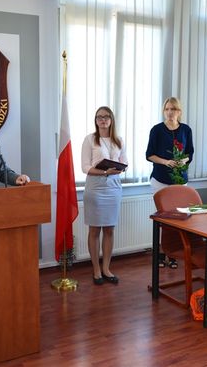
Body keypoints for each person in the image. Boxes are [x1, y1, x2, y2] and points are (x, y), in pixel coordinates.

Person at [81, 106, 128, 285]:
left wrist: (121, 168)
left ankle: (106, 268)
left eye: (106, 117)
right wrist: (105, 172)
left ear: (111, 119)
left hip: (113, 188)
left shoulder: (119, 140)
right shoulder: (90, 139)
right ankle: (96, 270)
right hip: (95, 188)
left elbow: (124, 161)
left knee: (109, 229)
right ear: (95, 120)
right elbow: (85, 167)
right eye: (99, 117)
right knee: (94, 230)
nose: (103, 120)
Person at [146, 97, 194, 268]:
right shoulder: (157, 130)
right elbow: (149, 155)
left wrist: (183, 161)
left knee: (178, 219)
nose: (170, 112)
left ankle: (172, 254)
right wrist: (166, 162)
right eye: (167, 109)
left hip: (180, 181)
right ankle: (160, 253)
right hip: (160, 180)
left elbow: (190, 153)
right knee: (163, 218)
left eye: (173, 109)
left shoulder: (186, 130)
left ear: (179, 111)